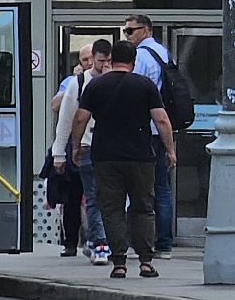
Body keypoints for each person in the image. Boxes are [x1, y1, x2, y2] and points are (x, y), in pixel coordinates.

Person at [74, 40, 176, 279]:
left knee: (112, 209)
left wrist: (75, 146)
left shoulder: (96, 85)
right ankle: (146, 262)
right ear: (134, 61)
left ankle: (118, 263)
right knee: (143, 208)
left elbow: (80, 118)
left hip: (105, 156)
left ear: (111, 59)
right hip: (140, 156)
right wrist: (170, 149)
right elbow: (161, 120)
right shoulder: (145, 85)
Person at [53, 38, 114, 265]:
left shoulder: (118, 81)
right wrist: (59, 153)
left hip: (114, 149)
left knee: (111, 198)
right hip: (88, 147)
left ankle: (102, 240)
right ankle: (100, 242)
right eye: (100, 61)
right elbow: (66, 119)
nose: (104, 65)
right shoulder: (78, 83)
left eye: (108, 61)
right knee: (94, 196)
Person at [123, 14, 176, 259]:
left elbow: (132, 90)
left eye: (130, 31)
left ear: (145, 30)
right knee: (162, 188)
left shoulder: (142, 57)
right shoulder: (163, 53)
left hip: (144, 131)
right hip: (160, 131)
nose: (127, 35)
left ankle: (140, 242)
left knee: (139, 189)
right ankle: (164, 243)